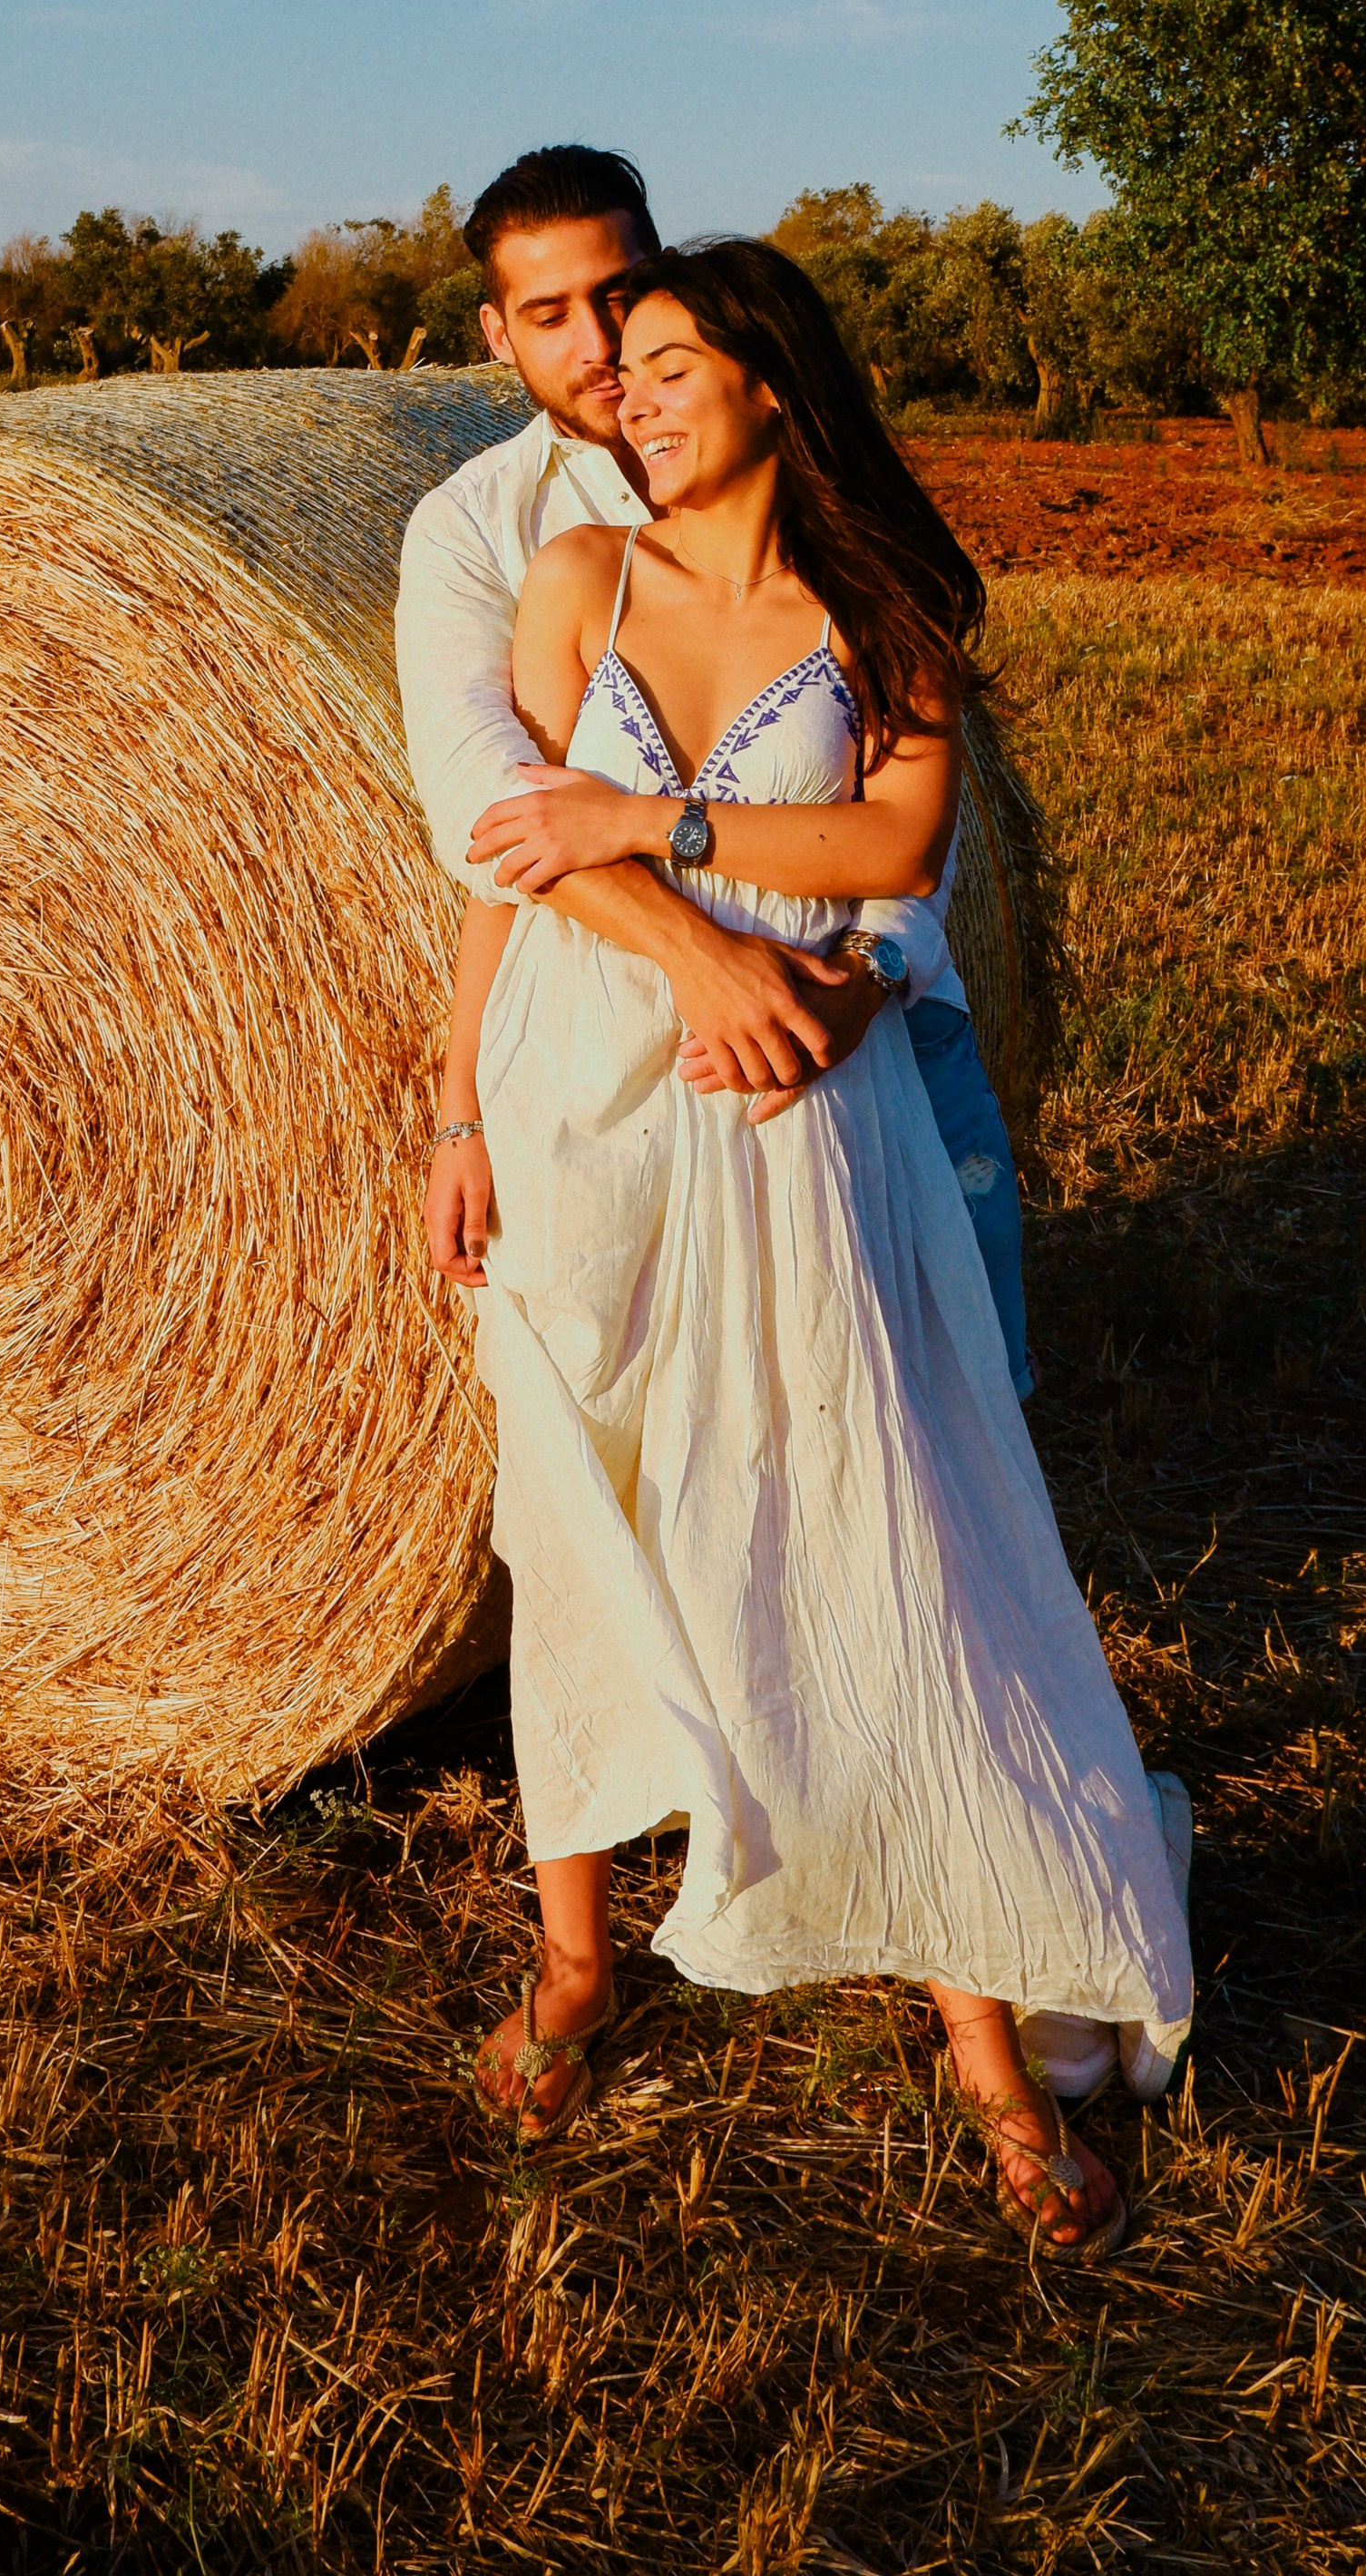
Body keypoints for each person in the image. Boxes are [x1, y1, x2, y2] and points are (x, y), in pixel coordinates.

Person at [420, 240, 1191, 2252]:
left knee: (877, 1531)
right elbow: (504, 870)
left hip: (792, 1125)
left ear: (770, 381)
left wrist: (650, 828)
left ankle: (984, 2051)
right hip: (569, 1112)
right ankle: (580, 1962)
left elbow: (888, 853)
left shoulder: (879, 614)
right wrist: (449, 1109)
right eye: (626, 364)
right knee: (576, 1517)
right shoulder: (574, 579)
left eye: (672, 361)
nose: (634, 392)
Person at [396, 144, 1032, 1397]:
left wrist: (865, 971)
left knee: (869, 1410)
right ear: (494, 332)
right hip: (603, 1056)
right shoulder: (493, 535)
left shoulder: (844, 555)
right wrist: (697, 962)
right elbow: (503, 817)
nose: (600, 351)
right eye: (547, 314)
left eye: (623, 302)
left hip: (827, 1028)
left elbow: (905, 833)